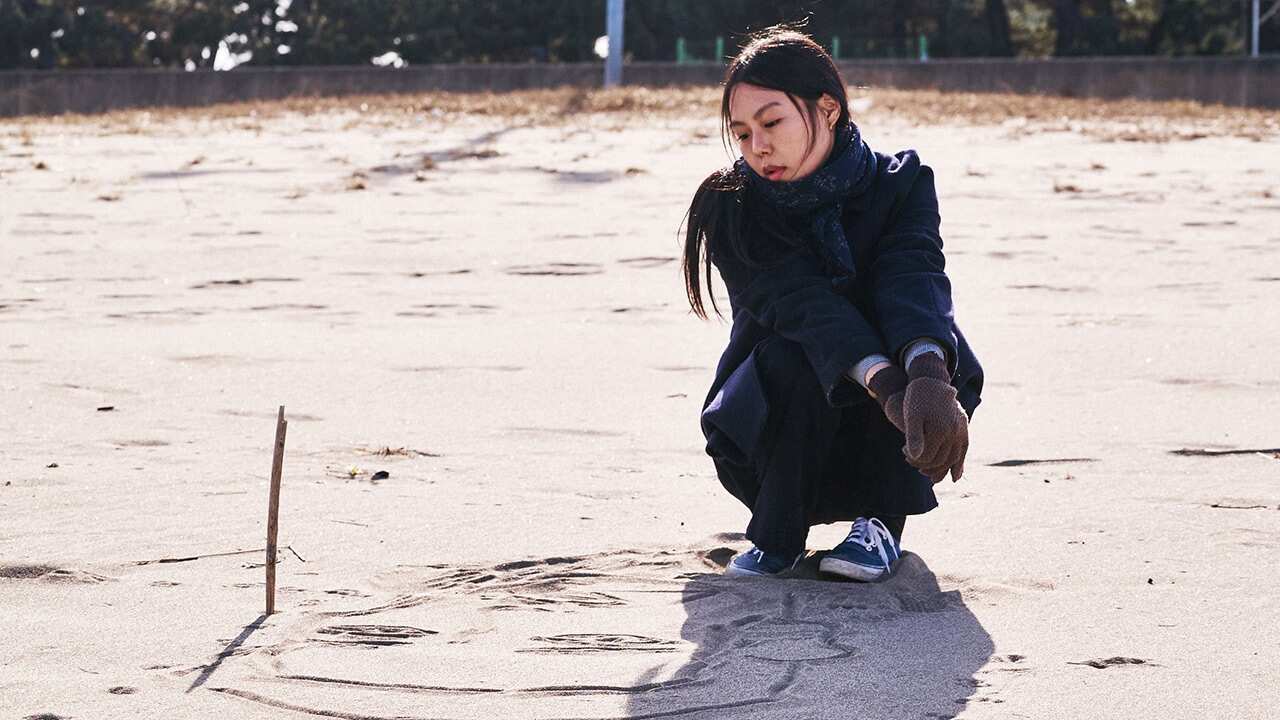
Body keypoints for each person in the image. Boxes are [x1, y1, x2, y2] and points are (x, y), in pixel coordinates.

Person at [681, 27, 984, 581]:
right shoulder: (732, 207)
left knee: (930, 345)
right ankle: (777, 536)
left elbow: (912, 273)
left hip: (888, 439)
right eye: (742, 133)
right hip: (771, 429)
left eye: (771, 123)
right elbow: (804, 307)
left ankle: (880, 525)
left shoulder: (903, 184)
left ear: (827, 109)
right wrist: (887, 386)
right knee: (799, 351)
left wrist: (924, 376)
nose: (757, 147)